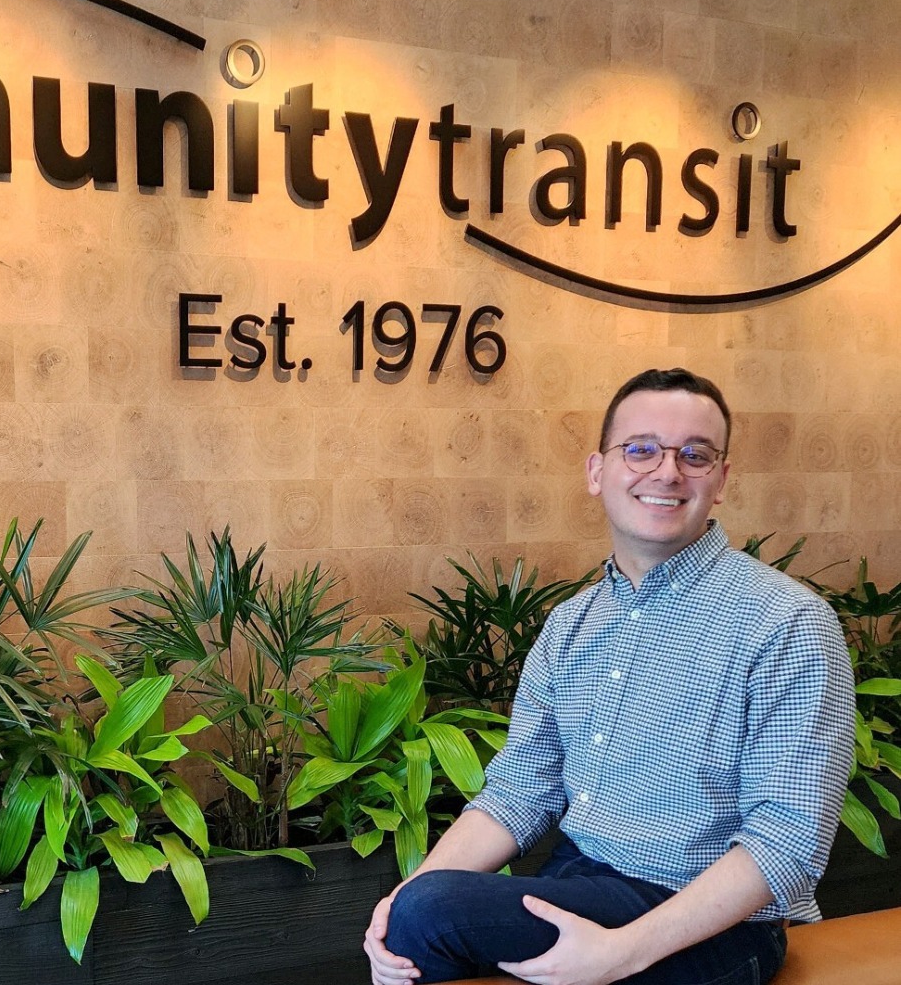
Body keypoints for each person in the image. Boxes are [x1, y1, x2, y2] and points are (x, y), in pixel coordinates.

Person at [363, 368, 854, 985]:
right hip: (583, 884)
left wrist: (619, 953)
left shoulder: (787, 622)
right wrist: (398, 901)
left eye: (695, 455)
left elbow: (788, 841)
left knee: (431, 914)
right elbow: (516, 794)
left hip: (715, 924)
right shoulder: (571, 624)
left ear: (721, 480)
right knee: (415, 911)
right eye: (641, 448)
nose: (668, 471)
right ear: (597, 472)